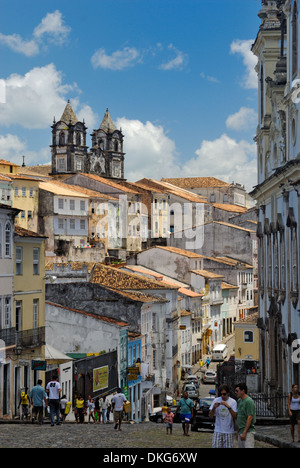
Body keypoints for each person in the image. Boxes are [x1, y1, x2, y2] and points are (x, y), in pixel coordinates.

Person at [209, 384, 237, 448]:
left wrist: (228, 407)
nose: (222, 396)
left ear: (228, 393)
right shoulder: (216, 400)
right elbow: (210, 416)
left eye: (224, 394)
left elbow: (235, 416)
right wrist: (214, 408)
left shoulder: (233, 402)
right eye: (220, 394)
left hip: (229, 431)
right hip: (218, 430)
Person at [235, 383, 256, 448]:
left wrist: (244, 432)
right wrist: (238, 431)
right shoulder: (239, 401)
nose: (235, 392)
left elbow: (250, 417)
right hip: (241, 431)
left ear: (243, 391)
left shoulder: (249, 401)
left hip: (248, 432)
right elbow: (240, 417)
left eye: (237, 391)